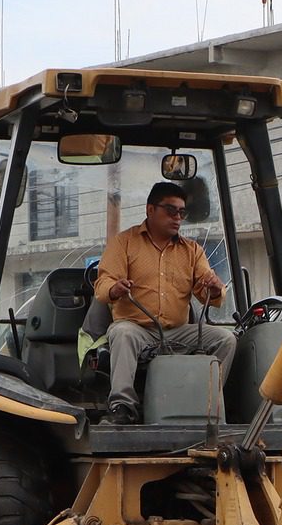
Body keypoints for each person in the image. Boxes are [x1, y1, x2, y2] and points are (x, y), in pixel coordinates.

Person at [94, 182, 232, 425]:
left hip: (177, 332)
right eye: (170, 210)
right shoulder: (124, 243)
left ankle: (204, 401)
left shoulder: (193, 251)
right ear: (150, 210)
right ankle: (123, 407)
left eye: (182, 212)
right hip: (138, 329)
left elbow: (206, 291)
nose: (177, 218)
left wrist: (213, 288)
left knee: (226, 340)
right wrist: (114, 289)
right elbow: (103, 283)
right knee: (122, 333)